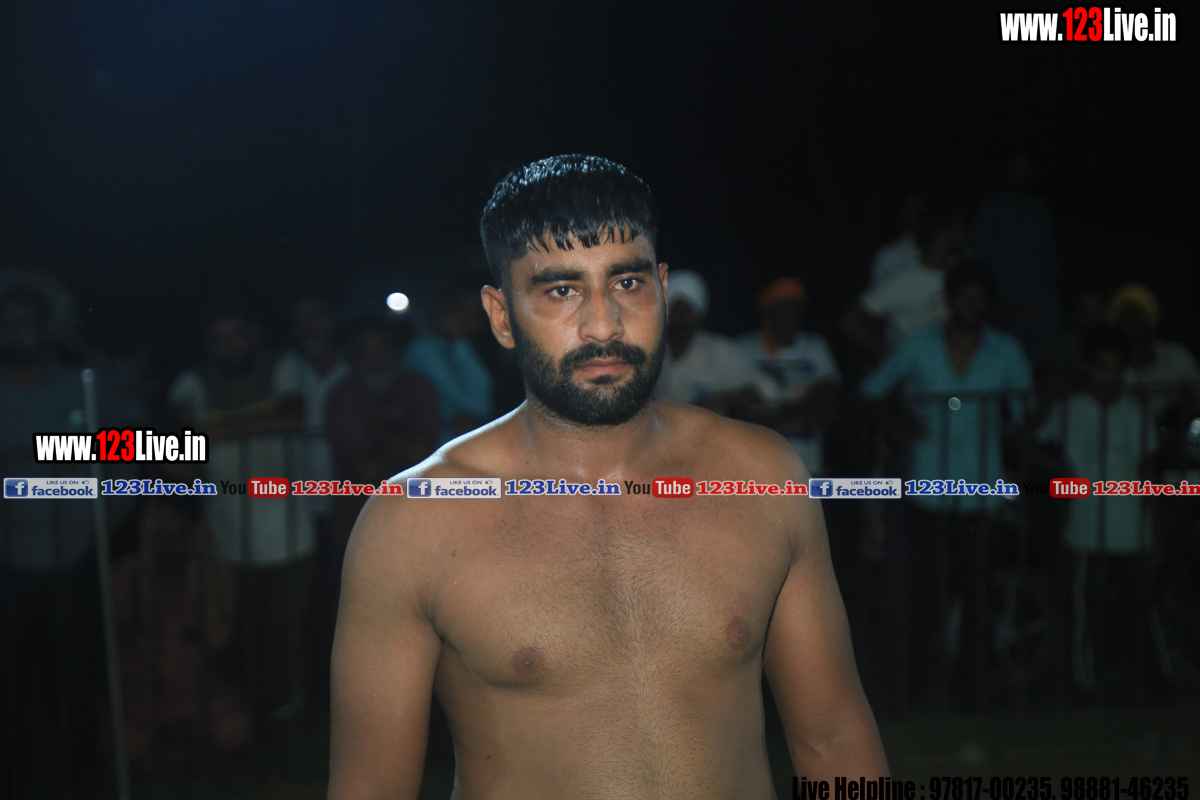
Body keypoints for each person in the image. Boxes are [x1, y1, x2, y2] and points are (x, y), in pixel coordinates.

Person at [328, 155, 887, 799]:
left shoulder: (763, 475)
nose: (603, 325)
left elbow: (834, 740)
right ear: (501, 316)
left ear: (662, 288)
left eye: (626, 283)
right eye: (561, 291)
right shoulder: (413, 520)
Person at [860, 261, 1032, 702]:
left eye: (979, 297)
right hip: (928, 490)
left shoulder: (1007, 351)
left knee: (978, 597)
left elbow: (1025, 414)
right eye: (963, 295)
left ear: (989, 303)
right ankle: (909, 688)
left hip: (983, 490)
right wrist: (898, 429)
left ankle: (970, 691)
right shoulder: (918, 344)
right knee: (922, 596)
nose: (970, 304)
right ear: (948, 300)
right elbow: (872, 391)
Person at [167, 309, 315, 747]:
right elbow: (179, 442)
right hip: (226, 540)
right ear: (207, 344)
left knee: (286, 638)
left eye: (238, 335)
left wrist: (210, 430)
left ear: (254, 335)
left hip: (291, 535)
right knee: (236, 639)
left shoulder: (283, 364)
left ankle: (290, 723)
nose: (230, 346)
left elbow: (291, 418)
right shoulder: (193, 379)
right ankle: (246, 728)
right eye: (219, 338)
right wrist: (241, 426)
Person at [0, 285, 103, 796]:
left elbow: (120, 454)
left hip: (74, 555)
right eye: (5, 324)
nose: (14, 333)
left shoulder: (81, 384)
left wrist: (100, 526)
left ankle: (81, 777)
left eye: (24, 322)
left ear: (44, 329)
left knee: (77, 675)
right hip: (7, 559)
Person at [1032, 325, 1157, 697]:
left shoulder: (1134, 412)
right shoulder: (1069, 409)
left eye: (1117, 368)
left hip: (1132, 527)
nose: (1110, 376)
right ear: (1089, 368)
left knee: (1140, 609)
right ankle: (1087, 685)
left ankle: (1151, 682)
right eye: (1103, 367)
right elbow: (1029, 443)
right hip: (1085, 527)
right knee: (1087, 612)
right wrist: (1062, 473)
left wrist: (1156, 529)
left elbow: (1147, 470)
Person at [114, 496, 249, 772]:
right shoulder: (126, 573)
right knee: (129, 743)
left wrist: (207, 565)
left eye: (177, 531)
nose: (170, 543)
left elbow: (216, 636)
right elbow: (143, 630)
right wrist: (146, 555)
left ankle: (182, 757)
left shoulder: (214, 570)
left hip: (200, 695)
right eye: (160, 534)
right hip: (144, 699)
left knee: (233, 730)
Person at [840, 193, 968, 364]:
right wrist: (894, 358)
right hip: (915, 371)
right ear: (943, 232)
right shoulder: (902, 275)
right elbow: (857, 319)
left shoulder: (963, 269)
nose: (967, 232)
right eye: (960, 226)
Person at [737, 277, 840, 476]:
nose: (789, 313)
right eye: (782, 306)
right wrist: (798, 410)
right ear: (767, 309)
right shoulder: (744, 347)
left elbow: (829, 396)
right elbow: (739, 406)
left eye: (795, 306)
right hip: (754, 462)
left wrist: (778, 415)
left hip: (805, 462)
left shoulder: (815, 346)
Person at [973, 152, 1062, 363]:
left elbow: (1049, 261)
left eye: (1025, 166)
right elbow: (981, 263)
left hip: (1041, 308)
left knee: (1043, 363)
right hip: (1004, 307)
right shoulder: (992, 209)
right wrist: (1000, 308)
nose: (1021, 172)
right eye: (1016, 166)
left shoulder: (1040, 209)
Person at [653, 269, 770, 412]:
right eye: (675, 311)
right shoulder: (649, 350)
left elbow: (767, 388)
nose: (681, 318)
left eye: (688, 311)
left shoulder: (722, 350)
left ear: (700, 313)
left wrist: (716, 402)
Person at [403, 284, 494, 445]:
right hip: (433, 444)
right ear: (444, 311)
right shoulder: (422, 349)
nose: (468, 320)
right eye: (460, 312)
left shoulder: (485, 347)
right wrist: (460, 341)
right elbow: (477, 405)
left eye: (477, 314)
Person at [1106, 283, 1200, 420]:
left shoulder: (1176, 357)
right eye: (1125, 318)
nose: (1131, 324)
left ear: (1150, 320)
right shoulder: (1104, 365)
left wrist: (1185, 415)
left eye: (1137, 317)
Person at [867, 190, 924, 289]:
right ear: (903, 214)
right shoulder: (889, 257)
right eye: (911, 211)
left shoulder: (947, 255)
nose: (916, 217)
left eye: (921, 211)